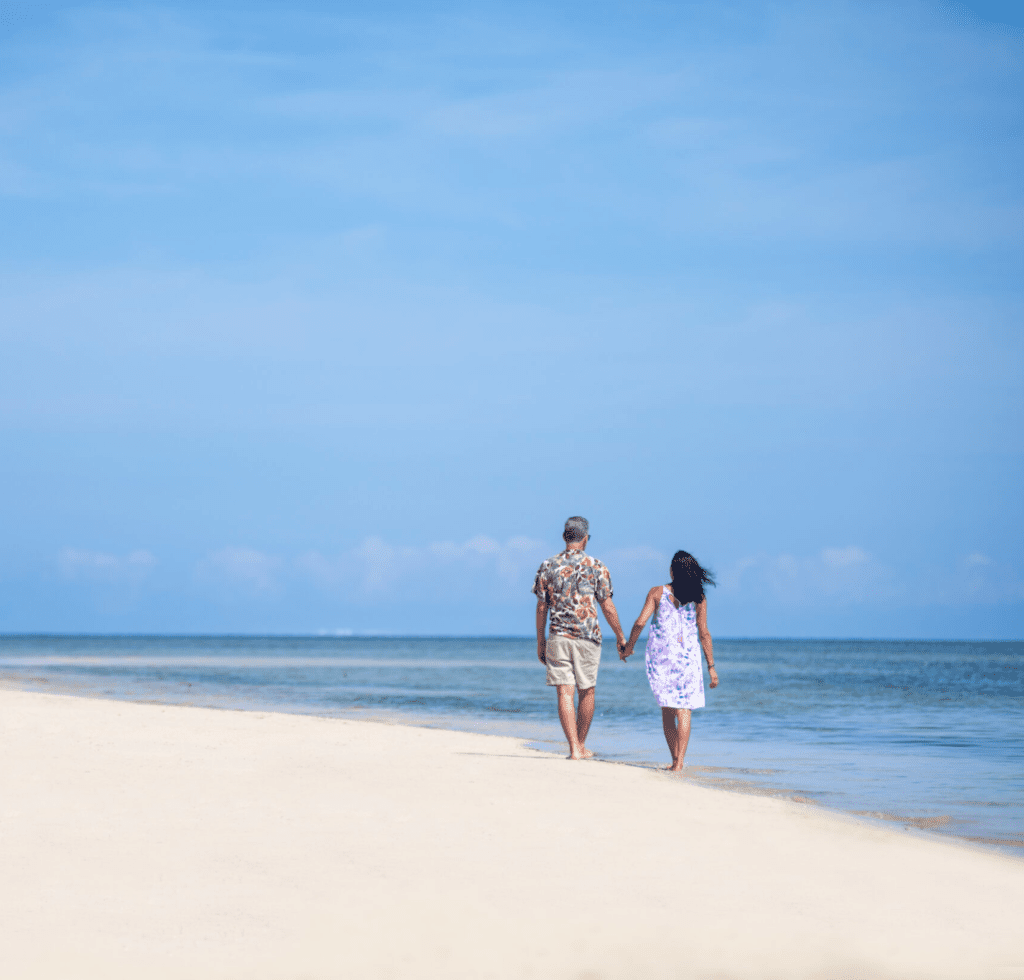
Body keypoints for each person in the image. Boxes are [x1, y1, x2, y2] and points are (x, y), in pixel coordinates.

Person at [533, 516, 627, 760]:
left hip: (558, 635)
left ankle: (574, 748)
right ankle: (581, 745)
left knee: (565, 692)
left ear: (565, 537)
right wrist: (620, 636)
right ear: (585, 539)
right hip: (588, 636)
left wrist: (540, 641)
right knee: (587, 690)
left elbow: (542, 607)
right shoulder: (597, 566)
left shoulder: (548, 565)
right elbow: (607, 605)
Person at [621, 550, 718, 771]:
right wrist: (711, 667)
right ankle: (680, 762)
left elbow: (639, 623)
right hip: (688, 661)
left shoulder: (657, 592)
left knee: (667, 710)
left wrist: (628, 648)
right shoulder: (699, 599)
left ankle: (674, 760)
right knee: (684, 710)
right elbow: (704, 634)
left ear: (673, 571)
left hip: (662, 660)